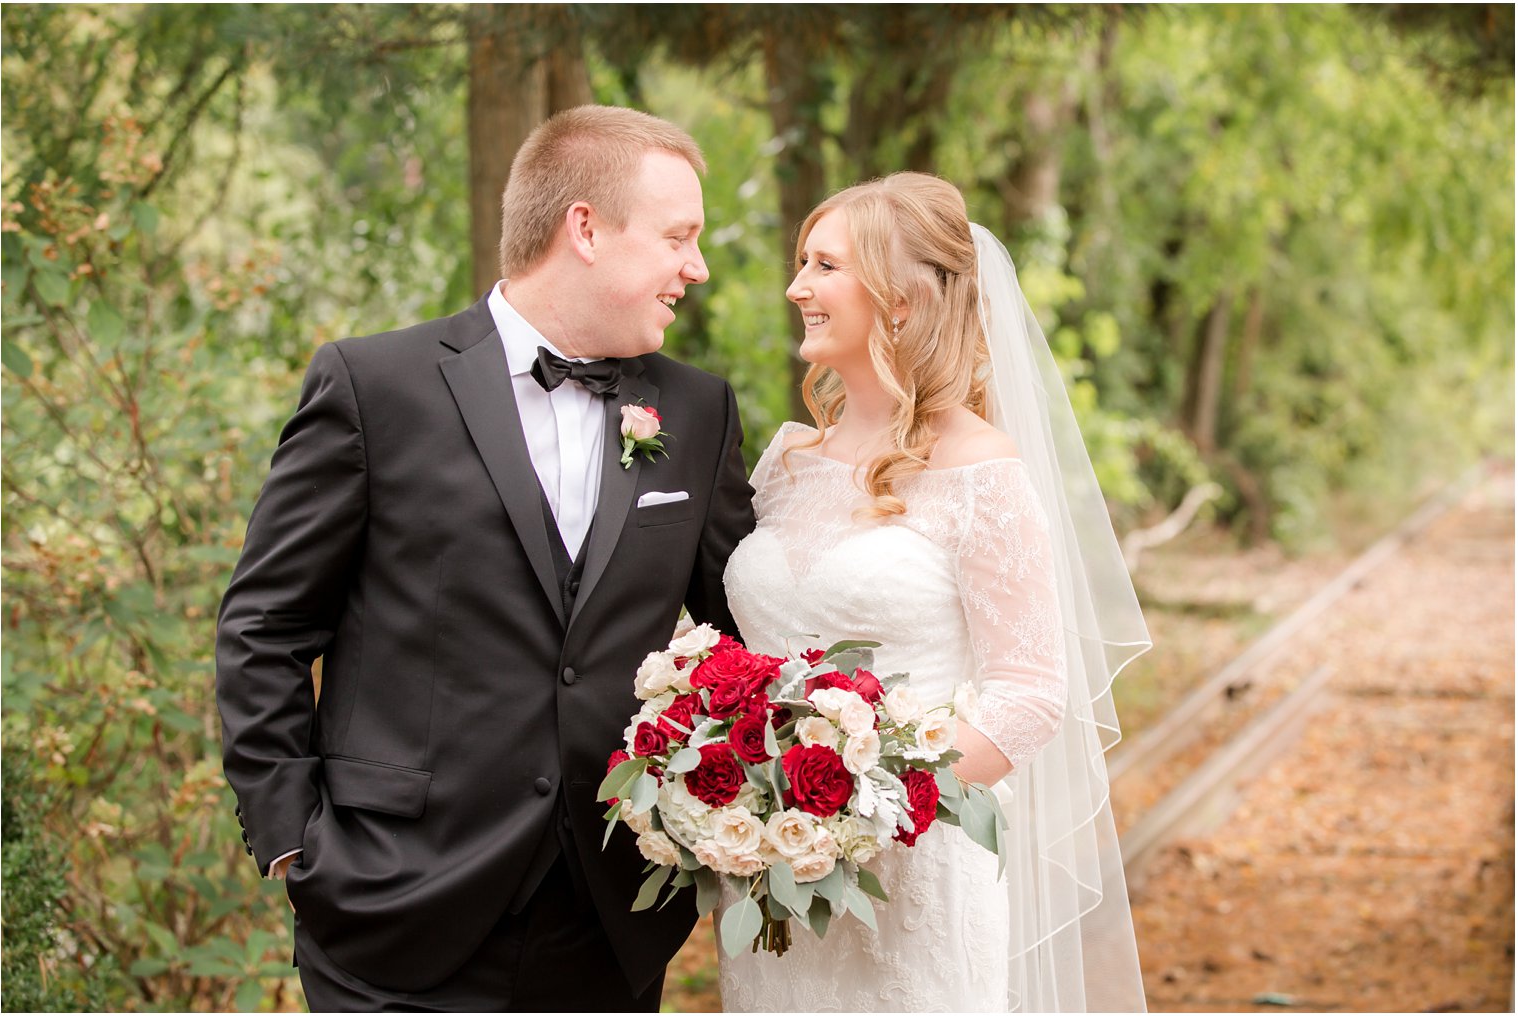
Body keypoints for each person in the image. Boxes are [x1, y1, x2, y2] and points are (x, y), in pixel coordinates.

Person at [215, 105, 756, 1011]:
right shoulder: (373, 386)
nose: (695, 268)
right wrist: (290, 837)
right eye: (678, 237)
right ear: (584, 228)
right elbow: (265, 627)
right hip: (393, 906)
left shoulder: (698, 413)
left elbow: (741, 637)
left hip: (608, 920)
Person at [719, 173, 1152, 1012]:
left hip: (915, 871)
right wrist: (763, 810)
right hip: (774, 871)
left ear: (904, 298)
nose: (796, 286)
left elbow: (1029, 693)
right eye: (801, 262)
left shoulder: (981, 470)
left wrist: (866, 806)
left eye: (823, 266)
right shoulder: (787, 460)